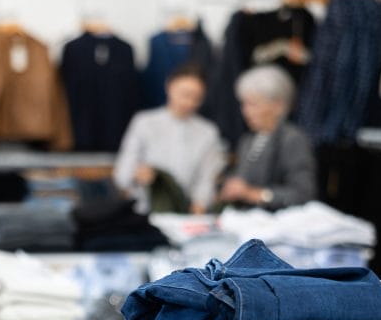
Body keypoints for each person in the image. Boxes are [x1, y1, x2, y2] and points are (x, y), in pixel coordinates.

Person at [113, 62, 225, 214]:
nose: (189, 102)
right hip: (145, 210)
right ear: (169, 86)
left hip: (187, 213)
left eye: (196, 97)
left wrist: (200, 204)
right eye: (185, 94)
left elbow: (207, 178)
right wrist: (137, 174)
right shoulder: (144, 122)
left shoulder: (208, 132)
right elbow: (122, 173)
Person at [219, 64, 316, 209]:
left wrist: (254, 194)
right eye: (243, 104)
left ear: (278, 106)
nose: (245, 111)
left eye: (253, 104)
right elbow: (240, 178)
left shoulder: (292, 140)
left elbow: (303, 194)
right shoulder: (248, 140)